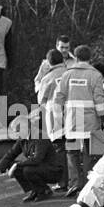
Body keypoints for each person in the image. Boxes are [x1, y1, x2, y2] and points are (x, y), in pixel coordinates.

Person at [53, 44, 104, 195]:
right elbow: (99, 99)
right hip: (90, 120)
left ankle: (75, 183)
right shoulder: (95, 75)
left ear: (75, 57)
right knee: (90, 152)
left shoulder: (67, 74)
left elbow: (58, 98)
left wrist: (59, 118)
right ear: (90, 58)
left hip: (72, 120)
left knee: (72, 152)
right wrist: (103, 118)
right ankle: (88, 185)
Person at [0, 111, 62, 202]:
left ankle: (43, 191)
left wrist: (17, 165)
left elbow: (37, 159)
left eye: (17, 131)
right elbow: (10, 154)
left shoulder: (40, 136)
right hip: (41, 167)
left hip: (53, 170)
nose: (15, 135)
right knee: (12, 164)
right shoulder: (22, 139)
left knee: (27, 169)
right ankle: (35, 190)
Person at [37, 49, 68, 188]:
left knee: (60, 151)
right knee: (75, 151)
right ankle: (76, 182)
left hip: (56, 119)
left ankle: (63, 182)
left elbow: (40, 99)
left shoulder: (47, 78)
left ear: (49, 62)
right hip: (76, 117)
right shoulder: (71, 73)